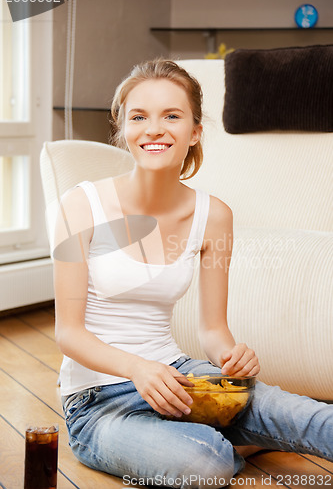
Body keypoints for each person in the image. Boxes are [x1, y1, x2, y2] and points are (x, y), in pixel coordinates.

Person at [54, 59, 333, 488]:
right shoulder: (81, 205)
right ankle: (235, 438)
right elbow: (68, 334)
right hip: (98, 401)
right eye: (139, 116)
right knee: (207, 462)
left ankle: (243, 429)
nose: (154, 129)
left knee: (314, 418)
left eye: (172, 115)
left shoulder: (213, 216)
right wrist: (138, 369)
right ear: (123, 128)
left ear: (195, 131)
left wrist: (231, 356)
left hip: (184, 380)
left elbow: (213, 329)